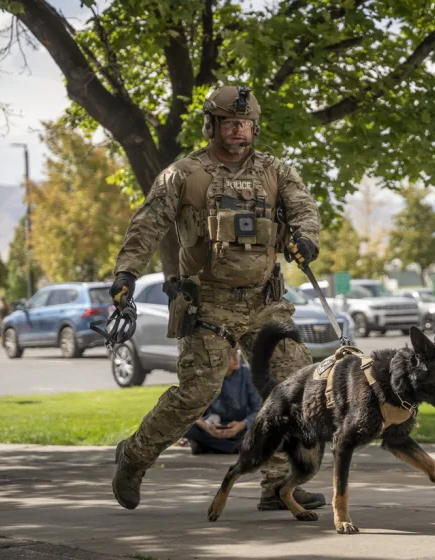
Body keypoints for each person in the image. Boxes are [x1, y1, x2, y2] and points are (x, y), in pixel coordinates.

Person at [109, 85, 324, 512]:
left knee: (294, 386)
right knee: (198, 392)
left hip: (264, 301)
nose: (238, 130)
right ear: (211, 125)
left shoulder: (275, 171)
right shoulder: (184, 174)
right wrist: (126, 273)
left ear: (254, 127)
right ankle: (133, 457)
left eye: (244, 123)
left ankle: (279, 485)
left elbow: (304, 210)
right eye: (229, 122)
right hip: (206, 302)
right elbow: (147, 224)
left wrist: (305, 239)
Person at [185, 348, 261, 455]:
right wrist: (206, 427)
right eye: (230, 356)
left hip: (240, 427)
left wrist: (241, 425)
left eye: (236, 354)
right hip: (213, 426)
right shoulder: (204, 377)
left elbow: (258, 410)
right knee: (184, 425)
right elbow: (191, 411)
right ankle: (233, 447)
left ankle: (213, 446)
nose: (236, 358)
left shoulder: (248, 374)